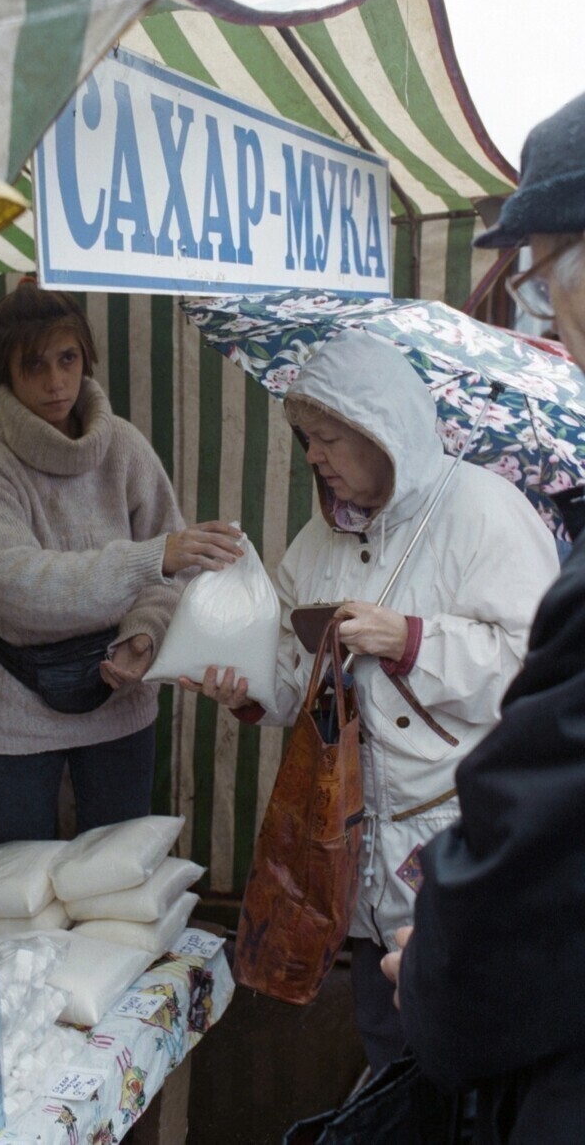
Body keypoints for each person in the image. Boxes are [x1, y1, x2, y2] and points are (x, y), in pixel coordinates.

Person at [181, 328, 559, 1075]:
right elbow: (296, 682)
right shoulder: (316, 544)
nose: (314, 457)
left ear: (384, 433)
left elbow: (539, 672)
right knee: (384, 1043)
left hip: (456, 836)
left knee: (466, 1049)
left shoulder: (487, 514)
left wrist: (410, 637)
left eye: (329, 439)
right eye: (307, 439)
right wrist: (247, 690)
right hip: (352, 840)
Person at [382, 92, 585, 1142]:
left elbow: (536, 747)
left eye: (546, 277)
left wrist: (439, 968)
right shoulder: (325, 536)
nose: (546, 313)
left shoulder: (490, 509)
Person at [0, 281, 241, 848]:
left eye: (67, 358)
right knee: (19, 880)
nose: (55, 381)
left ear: (86, 358)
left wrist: (143, 637)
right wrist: (154, 557)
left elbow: (170, 576)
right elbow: (20, 588)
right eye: (33, 364)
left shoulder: (123, 446)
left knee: (118, 882)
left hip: (119, 697)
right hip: (11, 704)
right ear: (1, 370)